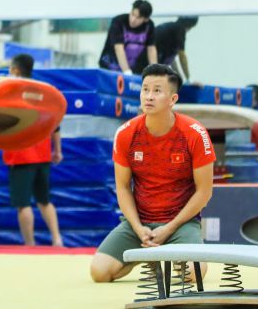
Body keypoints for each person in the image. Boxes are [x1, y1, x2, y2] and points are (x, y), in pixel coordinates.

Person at [90, 64, 215, 283]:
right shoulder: (126, 133)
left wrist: (170, 228)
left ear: (173, 99)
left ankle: (168, 254)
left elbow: (204, 192)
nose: (149, 96)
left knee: (194, 274)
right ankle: (148, 255)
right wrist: (138, 228)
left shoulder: (195, 134)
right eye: (145, 89)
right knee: (99, 273)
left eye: (157, 91)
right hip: (140, 222)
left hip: (180, 223)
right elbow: (122, 187)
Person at [2, 53, 64, 247]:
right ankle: (57, 239)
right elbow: (55, 123)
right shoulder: (42, 92)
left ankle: (30, 244)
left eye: (10, 68)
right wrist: (58, 150)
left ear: (15, 70)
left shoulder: (11, 92)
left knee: (23, 204)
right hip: (43, 153)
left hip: (20, 155)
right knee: (44, 200)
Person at [99, 0, 157, 75]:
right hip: (109, 67)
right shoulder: (118, 22)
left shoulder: (149, 26)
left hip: (131, 66)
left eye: (138, 17)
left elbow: (151, 49)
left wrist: (156, 71)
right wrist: (127, 72)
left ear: (146, 19)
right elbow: (119, 48)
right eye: (132, 14)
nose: (133, 20)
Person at [154, 16, 198, 81]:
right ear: (189, 26)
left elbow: (172, 60)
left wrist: (180, 78)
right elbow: (182, 56)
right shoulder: (179, 30)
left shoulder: (171, 28)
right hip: (149, 61)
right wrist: (188, 79)